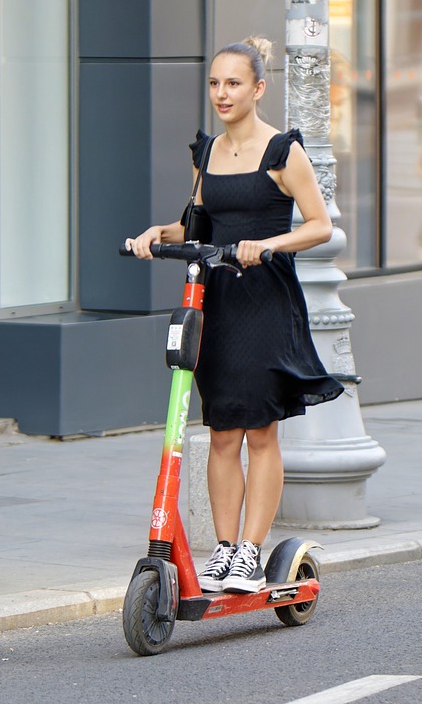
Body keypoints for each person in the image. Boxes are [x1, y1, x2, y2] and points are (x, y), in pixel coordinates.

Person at [129, 37, 343, 592]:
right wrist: (160, 233)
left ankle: (251, 550)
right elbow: (199, 225)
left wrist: (267, 244)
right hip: (216, 303)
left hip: (265, 302)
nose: (222, 94)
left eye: (234, 84)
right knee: (222, 430)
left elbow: (320, 225)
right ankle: (225, 551)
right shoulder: (208, 153)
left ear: (258, 88)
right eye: (215, 84)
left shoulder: (282, 151)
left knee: (259, 431)